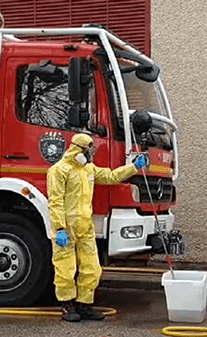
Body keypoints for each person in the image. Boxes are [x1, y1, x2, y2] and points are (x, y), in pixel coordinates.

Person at [46, 133, 147, 322]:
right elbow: (55, 201)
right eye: (89, 148)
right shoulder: (59, 171)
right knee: (65, 269)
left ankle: (84, 305)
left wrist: (133, 167)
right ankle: (67, 306)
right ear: (78, 149)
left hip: (85, 227)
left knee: (92, 268)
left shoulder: (89, 169)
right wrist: (60, 228)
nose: (92, 152)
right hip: (66, 228)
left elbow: (110, 176)